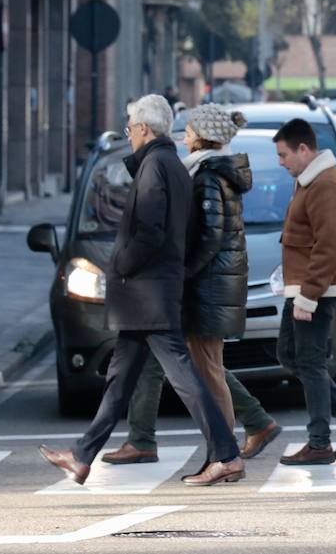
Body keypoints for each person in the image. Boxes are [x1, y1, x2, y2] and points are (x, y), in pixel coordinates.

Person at [38, 96, 243, 487]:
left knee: (184, 377)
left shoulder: (156, 166)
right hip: (148, 295)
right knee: (120, 379)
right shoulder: (167, 165)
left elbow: (149, 233)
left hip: (147, 294)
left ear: (145, 129)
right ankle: (82, 456)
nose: (129, 131)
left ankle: (227, 454)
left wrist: (120, 266)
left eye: (131, 126)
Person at [100, 105, 283, 467]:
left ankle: (225, 452)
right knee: (191, 363)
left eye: (188, 132)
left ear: (201, 135)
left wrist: (180, 274)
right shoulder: (206, 171)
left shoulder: (207, 175)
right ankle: (233, 434)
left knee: (199, 366)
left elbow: (209, 236)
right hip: (204, 285)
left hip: (201, 286)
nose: (182, 137)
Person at [273, 119, 336, 465]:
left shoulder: (325, 184)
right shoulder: (308, 180)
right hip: (302, 287)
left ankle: (319, 442)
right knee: (289, 354)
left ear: (304, 149)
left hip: (316, 290)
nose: (281, 162)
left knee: (311, 363)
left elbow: (328, 246)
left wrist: (309, 296)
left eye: (284, 155)